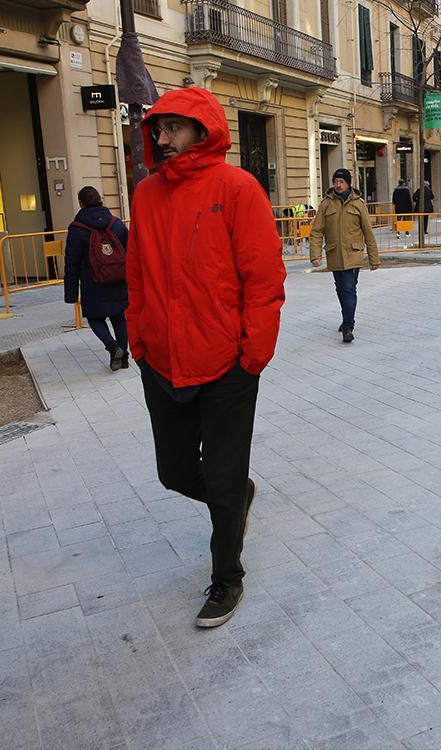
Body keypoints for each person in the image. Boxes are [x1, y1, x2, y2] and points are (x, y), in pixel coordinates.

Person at [126, 86, 286, 629]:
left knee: (218, 477)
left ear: (202, 129)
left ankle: (227, 579)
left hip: (228, 366)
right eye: (158, 129)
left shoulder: (238, 188)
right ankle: (237, 494)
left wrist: (252, 356)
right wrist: (140, 342)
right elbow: (138, 276)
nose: (163, 138)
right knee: (173, 472)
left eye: (172, 127)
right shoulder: (146, 195)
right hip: (163, 363)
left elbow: (264, 282)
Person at [309, 168, 380, 343]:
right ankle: (346, 318)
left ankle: (348, 326)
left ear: (348, 183)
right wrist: (315, 255)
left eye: (341, 182)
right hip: (334, 255)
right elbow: (316, 231)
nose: (338, 185)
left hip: (353, 255)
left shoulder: (358, 204)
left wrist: (374, 259)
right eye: (335, 181)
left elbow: (368, 232)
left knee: (348, 289)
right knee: (341, 290)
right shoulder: (326, 204)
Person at [64, 186, 130, 371]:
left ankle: (111, 346)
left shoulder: (77, 229)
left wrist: (71, 293)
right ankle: (123, 357)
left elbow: (71, 262)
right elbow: (132, 250)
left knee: (94, 318)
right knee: (119, 318)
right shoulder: (115, 223)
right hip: (118, 279)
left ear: (81, 203)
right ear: (100, 200)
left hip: (92, 282)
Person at [392, 178, 414, 243]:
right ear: (404, 183)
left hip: (398, 208)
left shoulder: (395, 191)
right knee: (405, 220)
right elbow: (409, 200)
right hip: (405, 208)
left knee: (398, 220)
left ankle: (398, 233)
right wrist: (410, 207)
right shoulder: (406, 190)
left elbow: (393, 200)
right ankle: (406, 232)